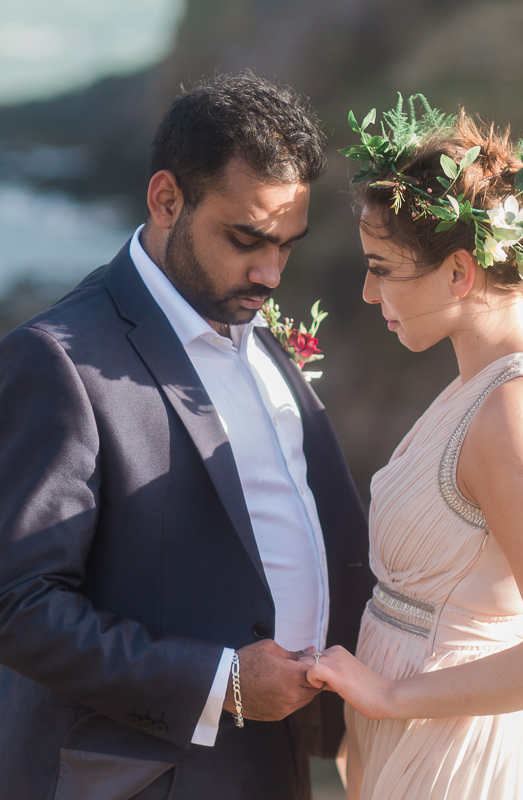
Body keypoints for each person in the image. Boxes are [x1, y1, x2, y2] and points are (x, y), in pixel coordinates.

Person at [0, 72, 373, 800]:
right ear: (166, 199)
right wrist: (219, 682)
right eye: (246, 239)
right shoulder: (56, 360)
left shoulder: (255, 330)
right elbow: (19, 603)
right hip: (138, 777)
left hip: (280, 760)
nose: (269, 272)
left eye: (287, 246)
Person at [302, 96, 523, 799]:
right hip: (408, 737)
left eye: (381, 268)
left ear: (459, 272)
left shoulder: (510, 412)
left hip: (452, 752)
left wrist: (389, 697)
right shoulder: (474, 389)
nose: (368, 294)